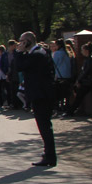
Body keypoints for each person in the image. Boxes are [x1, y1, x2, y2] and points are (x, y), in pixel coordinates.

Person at [15, 32, 58, 167]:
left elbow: (19, 66)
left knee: (44, 126)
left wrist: (19, 52)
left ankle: (50, 156)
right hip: (41, 93)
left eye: (22, 41)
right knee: (44, 126)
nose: (19, 44)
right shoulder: (39, 52)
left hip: (41, 95)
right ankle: (48, 154)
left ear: (28, 41)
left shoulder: (37, 54)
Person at [65, 41, 92, 116]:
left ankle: (71, 111)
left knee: (79, 95)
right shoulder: (87, 59)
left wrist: (79, 81)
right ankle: (75, 109)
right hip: (86, 80)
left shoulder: (90, 60)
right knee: (77, 92)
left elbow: (86, 71)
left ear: (86, 50)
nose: (81, 52)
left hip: (88, 81)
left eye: (82, 50)